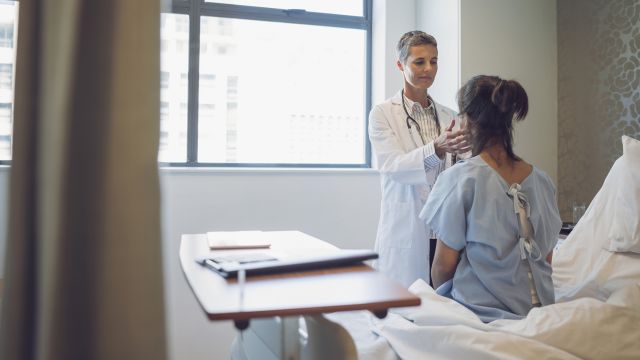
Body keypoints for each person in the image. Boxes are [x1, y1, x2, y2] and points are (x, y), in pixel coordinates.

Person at [420, 75, 562, 322]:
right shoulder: (542, 180)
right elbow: (546, 258)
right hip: (540, 314)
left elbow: (442, 267)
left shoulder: (460, 179)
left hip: (481, 315)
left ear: (468, 120)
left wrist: (444, 307)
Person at [369, 31, 470, 288]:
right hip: (408, 230)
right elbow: (392, 167)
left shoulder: (451, 117)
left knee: (444, 308)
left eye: (434, 61)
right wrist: (435, 149)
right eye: (419, 62)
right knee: (406, 311)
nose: (429, 69)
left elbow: (464, 172)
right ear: (400, 65)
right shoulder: (382, 114)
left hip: (445, 232)